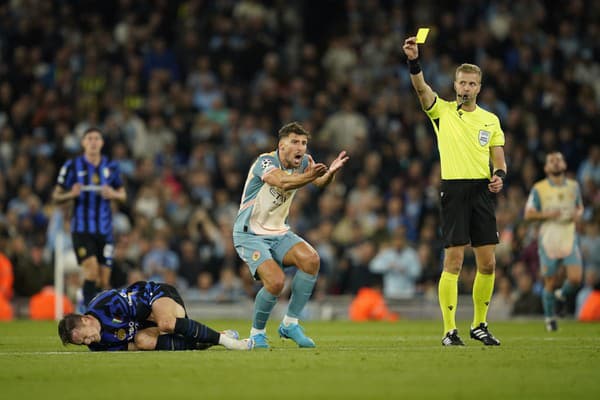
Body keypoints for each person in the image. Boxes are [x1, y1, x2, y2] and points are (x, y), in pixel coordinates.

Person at [403, 36, 506, 346]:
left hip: (481, 192)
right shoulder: (442, 112)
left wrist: (499, 175)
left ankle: (479, 324)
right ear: (455, 84)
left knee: (488, 263)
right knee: (454, 263)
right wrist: (414, 61)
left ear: (479, 88)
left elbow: (499, 160)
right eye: (461, 82)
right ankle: (449, 330)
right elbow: (422, 90)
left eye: (471, 84)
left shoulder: (490, 120)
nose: (465, 88)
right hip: (454, 189)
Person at [233, 121, 349, 348]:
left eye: (304, 143)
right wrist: (311, 177)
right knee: (276, 282)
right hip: (250, 233)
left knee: (311, 259)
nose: (301, 148)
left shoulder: (304, 162)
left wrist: (330, 174)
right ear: (281, 145)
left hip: (278, 231)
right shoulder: (265, 161)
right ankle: (257, 335)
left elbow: (319, 182)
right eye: (294, 142)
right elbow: (282, 182)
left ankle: (290, 323)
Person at [58, 280, 253, 351]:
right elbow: (132, 346)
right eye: (83, 343)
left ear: (86, 319)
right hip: (146, 322)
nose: (88, 342)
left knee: (166, 323)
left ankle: (229, 343)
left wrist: (158, 325)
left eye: (84, 336)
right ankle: (214, 336)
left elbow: (144, 306)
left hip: (156, 295)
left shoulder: (106, 304)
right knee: (142, 341)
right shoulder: (98, 345)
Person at [52, 127, 127, 308]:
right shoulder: (72, 166)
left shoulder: (111, 167)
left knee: (103, 280)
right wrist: (71, 194)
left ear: (102, 143)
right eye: (89, 138)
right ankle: (88, 314)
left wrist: (113, 194)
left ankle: (84, 298)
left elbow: (123, 195)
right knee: (91, 270)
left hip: (105, 230)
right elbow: (56, 196)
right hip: (81, 230)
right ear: (83, 142)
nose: (93, 142)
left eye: (97, 138)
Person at [524, 151, 584, 331]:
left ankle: (560, 295)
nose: (556, 163)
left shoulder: (574, 187)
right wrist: (547, 214)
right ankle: (550, 318)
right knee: (549, 281)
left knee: (575, 278)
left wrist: (577, 214)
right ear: (546, 168)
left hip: (568, 237)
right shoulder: (539, 188)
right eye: (552, 161)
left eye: (559, 160)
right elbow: (528, 214)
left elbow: (580, 207)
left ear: (564, 165)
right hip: (549, 240)